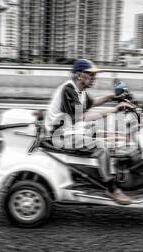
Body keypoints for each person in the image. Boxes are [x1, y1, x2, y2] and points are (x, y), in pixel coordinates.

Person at [45, 59, 135, 205]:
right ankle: (111, 188)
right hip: (60, 136)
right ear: (79, 75)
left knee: (112, 137)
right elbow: (83, 117)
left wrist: (113, 97)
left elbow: (92, 103)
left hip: (70, 131)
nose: (94, 77)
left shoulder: (79, 91)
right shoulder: (69, 90)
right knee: (101, 148)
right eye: (91, 74)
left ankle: (111, 174)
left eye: (94, 75)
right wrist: (115, 109)